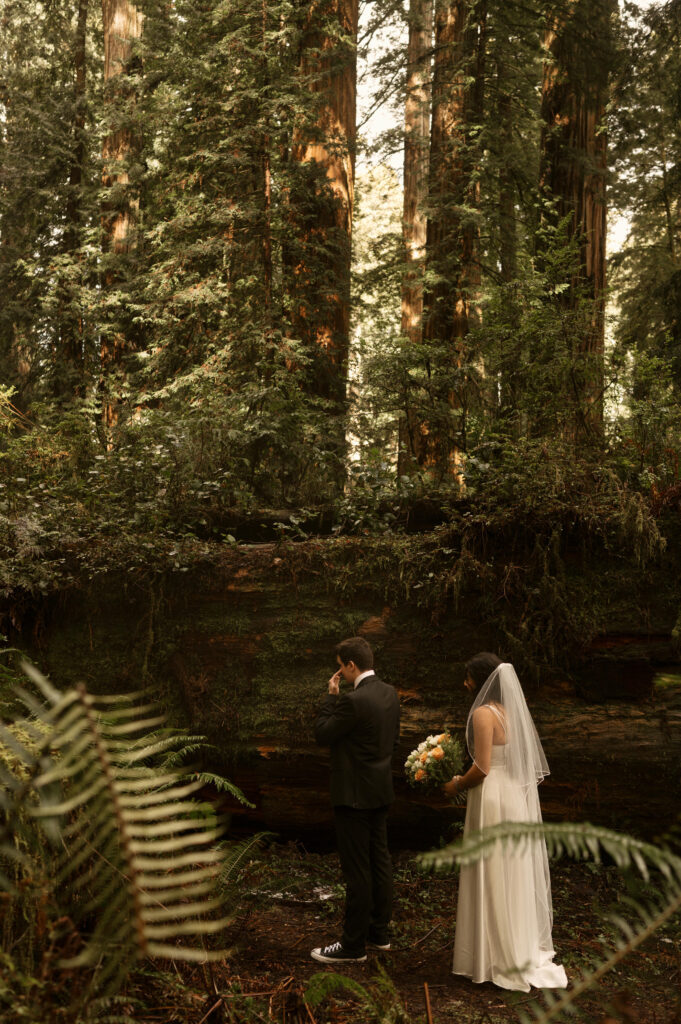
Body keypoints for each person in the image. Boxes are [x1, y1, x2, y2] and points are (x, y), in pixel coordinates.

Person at [442, 652, 568, 992]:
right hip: (511, 795)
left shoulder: (484, 714)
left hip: (492, 796)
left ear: (482, 680)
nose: (465, 683)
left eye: (469, 677)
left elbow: (482, 767)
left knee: (492, 869)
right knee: (509, 870)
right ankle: (512, 944)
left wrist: (455, 784)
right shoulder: (510, 711)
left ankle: (492, 955)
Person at [311, 636, 400, 964]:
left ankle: (352, 946)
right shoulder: (390, 694)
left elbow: (322, 733)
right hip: (379, 791)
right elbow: (394, 738)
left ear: (351, 665)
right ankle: (379, 933)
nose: (340, 674)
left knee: (357, 870)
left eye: (341, 668)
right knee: (380, 861)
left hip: (353, 796)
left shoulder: (352, 701)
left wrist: (331, 698)